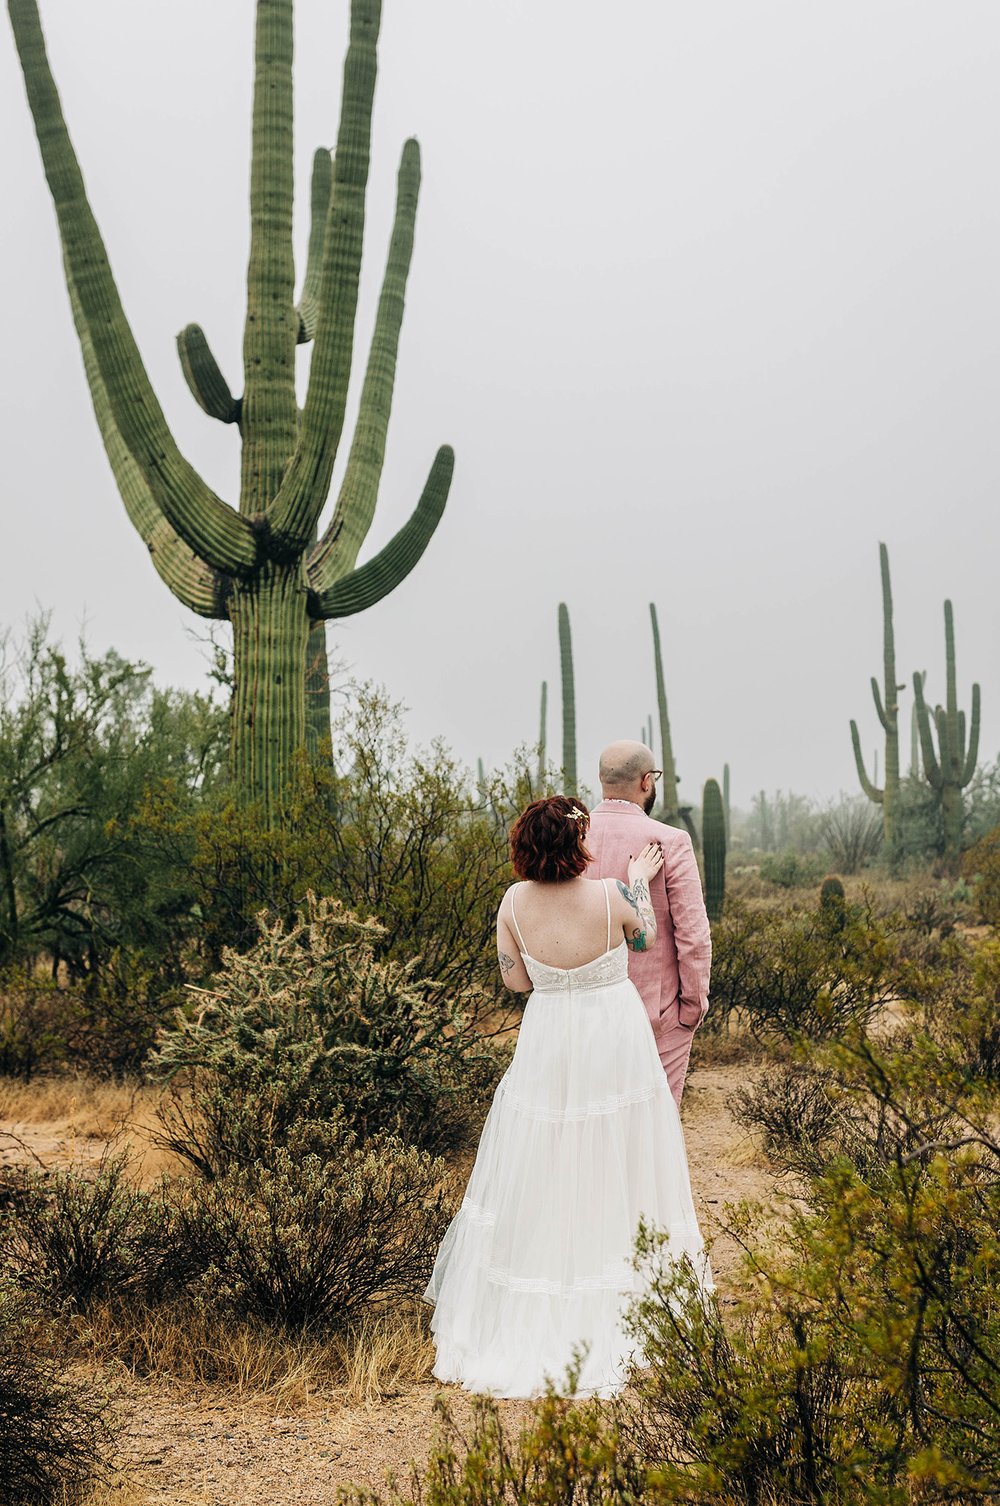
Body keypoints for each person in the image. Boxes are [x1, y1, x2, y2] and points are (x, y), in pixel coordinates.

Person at [424, 795, 711, 1399]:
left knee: (545, 1153)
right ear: (575, 844)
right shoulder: (612, 897)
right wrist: (637, 882)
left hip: (549, 1035)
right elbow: (645, 940)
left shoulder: (512, 904)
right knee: (617, 1146)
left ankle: (545, 1270)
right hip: (612, 1035)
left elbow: (515, 980)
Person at [586, 741, 712, 1104]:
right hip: (657, 1015)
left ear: (601, 780)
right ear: (646, 782)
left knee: (600, 1123)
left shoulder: (571, 838)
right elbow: (693, 935)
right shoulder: (670, 841)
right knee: (655, 1130)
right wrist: (693, 1006)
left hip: (586, 1012)